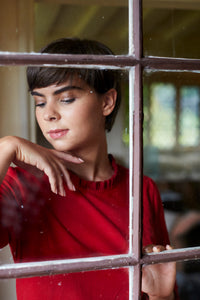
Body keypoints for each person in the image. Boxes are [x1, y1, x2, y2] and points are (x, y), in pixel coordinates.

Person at [0, 38, 177, 300]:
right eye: (39, 102)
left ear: (107, 102)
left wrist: (163, 297)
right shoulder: (21, 185)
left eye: (67, 98)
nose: (48, 114)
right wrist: (6, 148)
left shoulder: (142, 188)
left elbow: (160, 285)